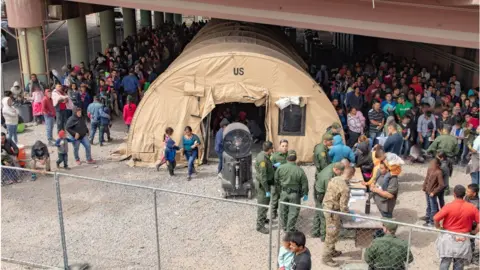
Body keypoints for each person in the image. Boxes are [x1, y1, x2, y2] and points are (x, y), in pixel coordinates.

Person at [434, 185, 479, 270]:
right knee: (459, 263)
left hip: (448, 237)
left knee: (445, 261)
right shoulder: (471, 207)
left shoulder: (449, 206)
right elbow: (479, 222)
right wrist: (474, 232)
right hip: (463, 238)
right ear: (464, 194)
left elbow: (435, 218)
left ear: (454, 194)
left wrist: (439, 227)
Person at [322, 167, 355, 267]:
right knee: (331, 234)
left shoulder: (334, 179)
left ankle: (332, 250)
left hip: (326, 208)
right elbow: (343, 206)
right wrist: (350, 215)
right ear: (351, 175)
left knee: (333, 232)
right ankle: (326, 257)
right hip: (333, 214)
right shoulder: (345, 188)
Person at [275, 150, 309, 232]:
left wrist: (280, 191)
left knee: (283, 210)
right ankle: (290, 229)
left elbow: (276, 180)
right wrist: (305, 193)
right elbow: (304, 184)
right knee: (293, 212)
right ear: (296, 158)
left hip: (283, 192)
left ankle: (284, 227)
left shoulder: (280, 168)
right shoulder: (299, 170)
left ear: (287, 158)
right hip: (294, 194)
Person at [312, 161, 347, 240]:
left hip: (318, 188)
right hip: (321, 193)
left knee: (318, 212)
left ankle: (315, 231)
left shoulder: (333, 165)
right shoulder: (328, 177)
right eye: (340, 172)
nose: (341, 174)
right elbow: (329, 192)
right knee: (324, 215)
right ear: (336, 170)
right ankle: (323, 236)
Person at [255, 141, 274, 234]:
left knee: (265, 204)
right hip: (263, 186)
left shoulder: (262, 155)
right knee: (263, 204)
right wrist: (267, 190)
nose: (272, 150)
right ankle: (260, 226)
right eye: (272, 149)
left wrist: (273, 166)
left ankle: (263, 218)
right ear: (269, 149)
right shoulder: (263, 159)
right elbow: (263, 177)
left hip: (263, 184)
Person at [421, 158, 445, 227]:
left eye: (433, 164)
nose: (431, 165)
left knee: (433, 208)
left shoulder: (439, 172)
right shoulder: (430, 169)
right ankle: (428, 217)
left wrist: (434, 192)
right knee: (429, 206)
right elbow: (427, 178)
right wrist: (424, 186)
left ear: (437, 165)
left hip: (432, 193)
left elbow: (442, 185)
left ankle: (432, 222)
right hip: (427, 191)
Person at [271, 139, 289, 220]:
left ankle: (284, 213)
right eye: (283, 146)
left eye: (286, 146)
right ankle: (273, 213)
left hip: (286, 181)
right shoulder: (274, 156)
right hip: (277, 181)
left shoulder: (289, 155)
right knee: (275, 198)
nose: (285, 148)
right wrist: (274, 166)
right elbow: (269, 168)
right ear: (279, 146)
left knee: (285, 198)